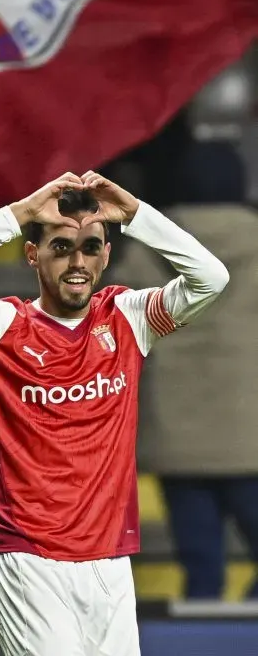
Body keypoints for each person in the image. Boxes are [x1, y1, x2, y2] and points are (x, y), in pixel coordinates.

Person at [0, 171, 229, 656]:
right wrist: (17, 214)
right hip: (29, 560)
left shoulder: (126, 318)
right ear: (32, 255)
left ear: (107, 255)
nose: (77, 262)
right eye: (61, 247)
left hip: (110, 562)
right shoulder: (1, 328)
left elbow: (211, 278)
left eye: (89, 247)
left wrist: (136, 215)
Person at [115, 197, 258, 599]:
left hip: (176, 438)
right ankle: (243, 630)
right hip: (250, 438)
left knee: (201, 569)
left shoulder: (149, 250)